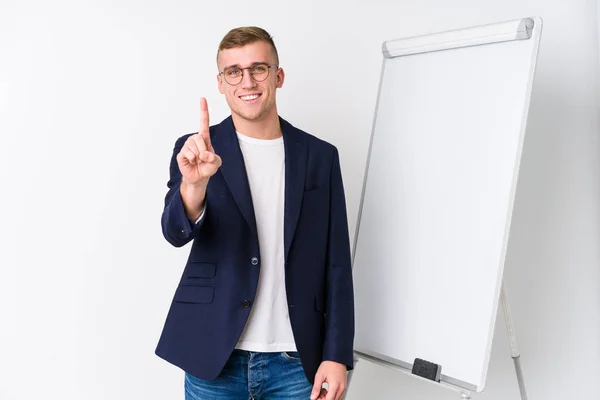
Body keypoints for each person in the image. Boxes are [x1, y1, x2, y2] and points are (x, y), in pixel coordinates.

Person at [155, 26, 355, 400]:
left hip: (297, 362)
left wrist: (338, 354)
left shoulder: (320, 157)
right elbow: (174, 232)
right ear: (221, 83)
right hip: (214, 355)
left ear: (278, 76)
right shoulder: (197, 149)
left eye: (258, 68)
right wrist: (194, 185)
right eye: (234, 71)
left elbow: (337, 263)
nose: (246, 81)